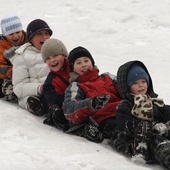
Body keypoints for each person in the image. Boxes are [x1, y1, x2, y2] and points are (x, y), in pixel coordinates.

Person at [113, 60, 170, 169]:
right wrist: (150, 127)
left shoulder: (153, 101)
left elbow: (165, 111)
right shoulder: (126, 105)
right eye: (135, 83)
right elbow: (124, 123)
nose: (140, 86)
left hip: (158, 133)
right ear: (126, 86)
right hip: (136, 140)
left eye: (143, 81)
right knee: (156, 141)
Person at [63, 46, 121, 143]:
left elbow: (125, 88)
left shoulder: (107, 77)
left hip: (123, 111)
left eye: (86, 61)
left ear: (92, 63)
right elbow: (70, 109)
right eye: (78, 63)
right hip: (104, 119)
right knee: (121, 132)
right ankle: (134, 147)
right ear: (73, 69)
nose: (84, 65)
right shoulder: (76, 86)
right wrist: (91, 104)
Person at [12, 19, 53, 116]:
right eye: (39, 34)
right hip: (37, 93)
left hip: (57, 89)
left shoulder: (55, 50)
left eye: (47, 33)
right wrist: (39, 89)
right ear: (31, 38)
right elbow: (19, 87)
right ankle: (34, 105)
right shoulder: (21, 56)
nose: (44, 37)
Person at [41, 38, 70, 131]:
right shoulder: (49, 83)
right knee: (56, 109)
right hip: (69, 107)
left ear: (64, 55)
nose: (52, 60)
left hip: (86, 101)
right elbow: (56, 101)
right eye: (48, 58)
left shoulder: (75, 67)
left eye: (55, 55)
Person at [0, 14, 27, 101]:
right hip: (10, 74)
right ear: (5, 35)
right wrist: (11, 71)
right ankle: (9, 89)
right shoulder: (2, 46)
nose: (15, 36)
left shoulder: (29, 40)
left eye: (18, 32)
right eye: (11, 34)